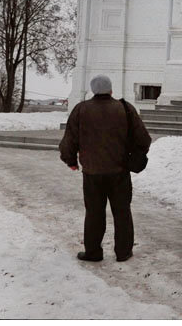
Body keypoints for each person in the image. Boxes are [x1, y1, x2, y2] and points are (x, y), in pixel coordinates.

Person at [59, 75, 152, 262]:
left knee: (94, 213)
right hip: (119, 172)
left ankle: (93, 252)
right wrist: (133, 157)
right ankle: (123, 252)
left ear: (94, 90)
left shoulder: (81, 110)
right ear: (110, 89)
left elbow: (69, 140)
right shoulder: (125, 109)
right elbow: (144, 139)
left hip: (92, 173)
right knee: (122, 212)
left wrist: (70, 160)